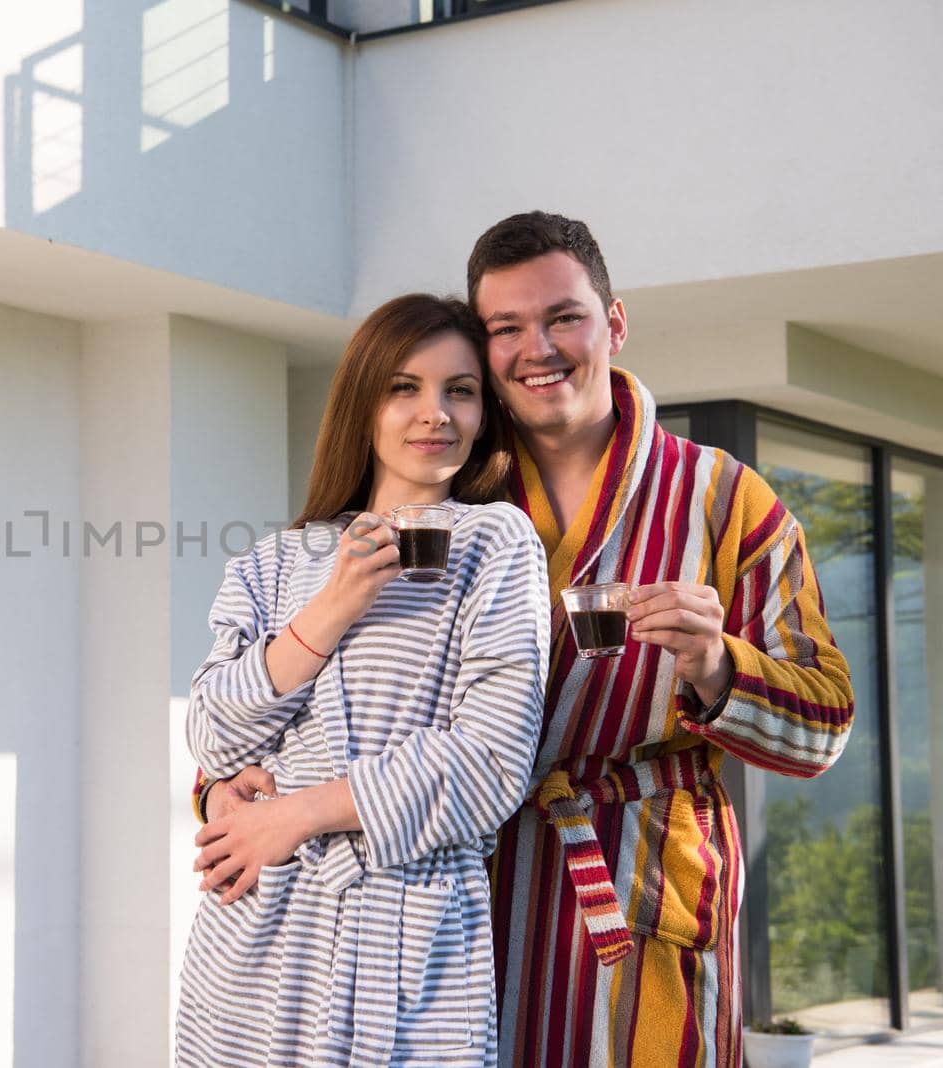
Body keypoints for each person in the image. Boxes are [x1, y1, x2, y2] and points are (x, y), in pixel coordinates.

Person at [201, 213, 855, 1067]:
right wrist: (220, 789)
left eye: (563, 318)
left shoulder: (725, 501)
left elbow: (827, 723)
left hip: (639, 883)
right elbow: (322, 690)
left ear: (613, 323)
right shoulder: (450, 482)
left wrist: (715, 663)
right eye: (505, 328)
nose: (535, 348)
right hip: (451, 886)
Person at [178, 294, 550, 1067]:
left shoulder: (495, 541)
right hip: (255, 930)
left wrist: (297, 814)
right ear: (363, 402)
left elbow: (493, 759)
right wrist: (338, 602)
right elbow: (212, 735)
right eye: (404, 387)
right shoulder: (275, 563)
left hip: (408, 935)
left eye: (461, 390)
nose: (435, 414)